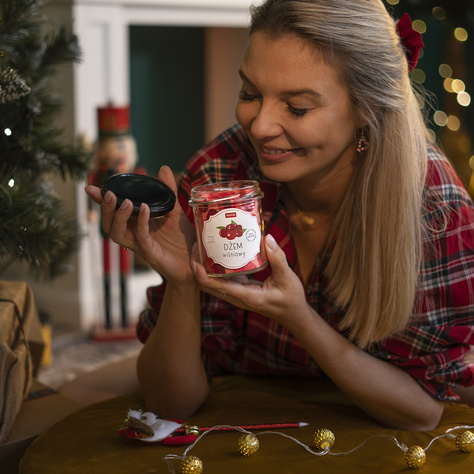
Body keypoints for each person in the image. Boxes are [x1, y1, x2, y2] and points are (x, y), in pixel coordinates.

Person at [85, 0, 474, 431]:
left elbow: (422, 413)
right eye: (250, 93)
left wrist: (299, 318)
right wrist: (181, 283)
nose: (260, 126)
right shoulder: (219, 177)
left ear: (368, 110)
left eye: (298, 107)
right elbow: (170, 403)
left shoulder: (435, 210)